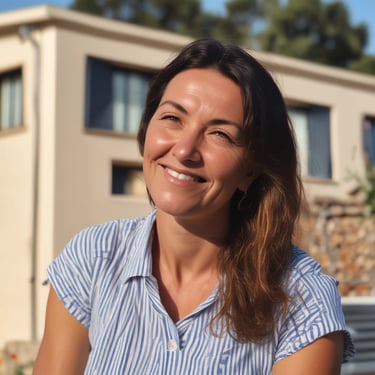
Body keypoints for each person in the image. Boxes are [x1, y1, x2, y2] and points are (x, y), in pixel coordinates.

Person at [33, 38, 354, 374]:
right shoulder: (93, 259)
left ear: (251, 170)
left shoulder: (300, 297)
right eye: (173, 117)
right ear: (147, 129)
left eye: (220, 134)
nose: (185, 150)